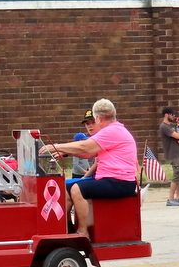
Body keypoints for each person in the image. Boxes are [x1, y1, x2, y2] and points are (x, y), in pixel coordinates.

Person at [40, 99, 137, 236]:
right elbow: (89, 153)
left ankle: (83, 231)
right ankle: (66, 228)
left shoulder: (112, 131)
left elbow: (84, 146)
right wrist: (65, 152)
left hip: (120, 182)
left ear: (97, 118)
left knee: (77, 189)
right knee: (66, 189)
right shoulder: (114, 130)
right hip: (112, 179)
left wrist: (56, 146)